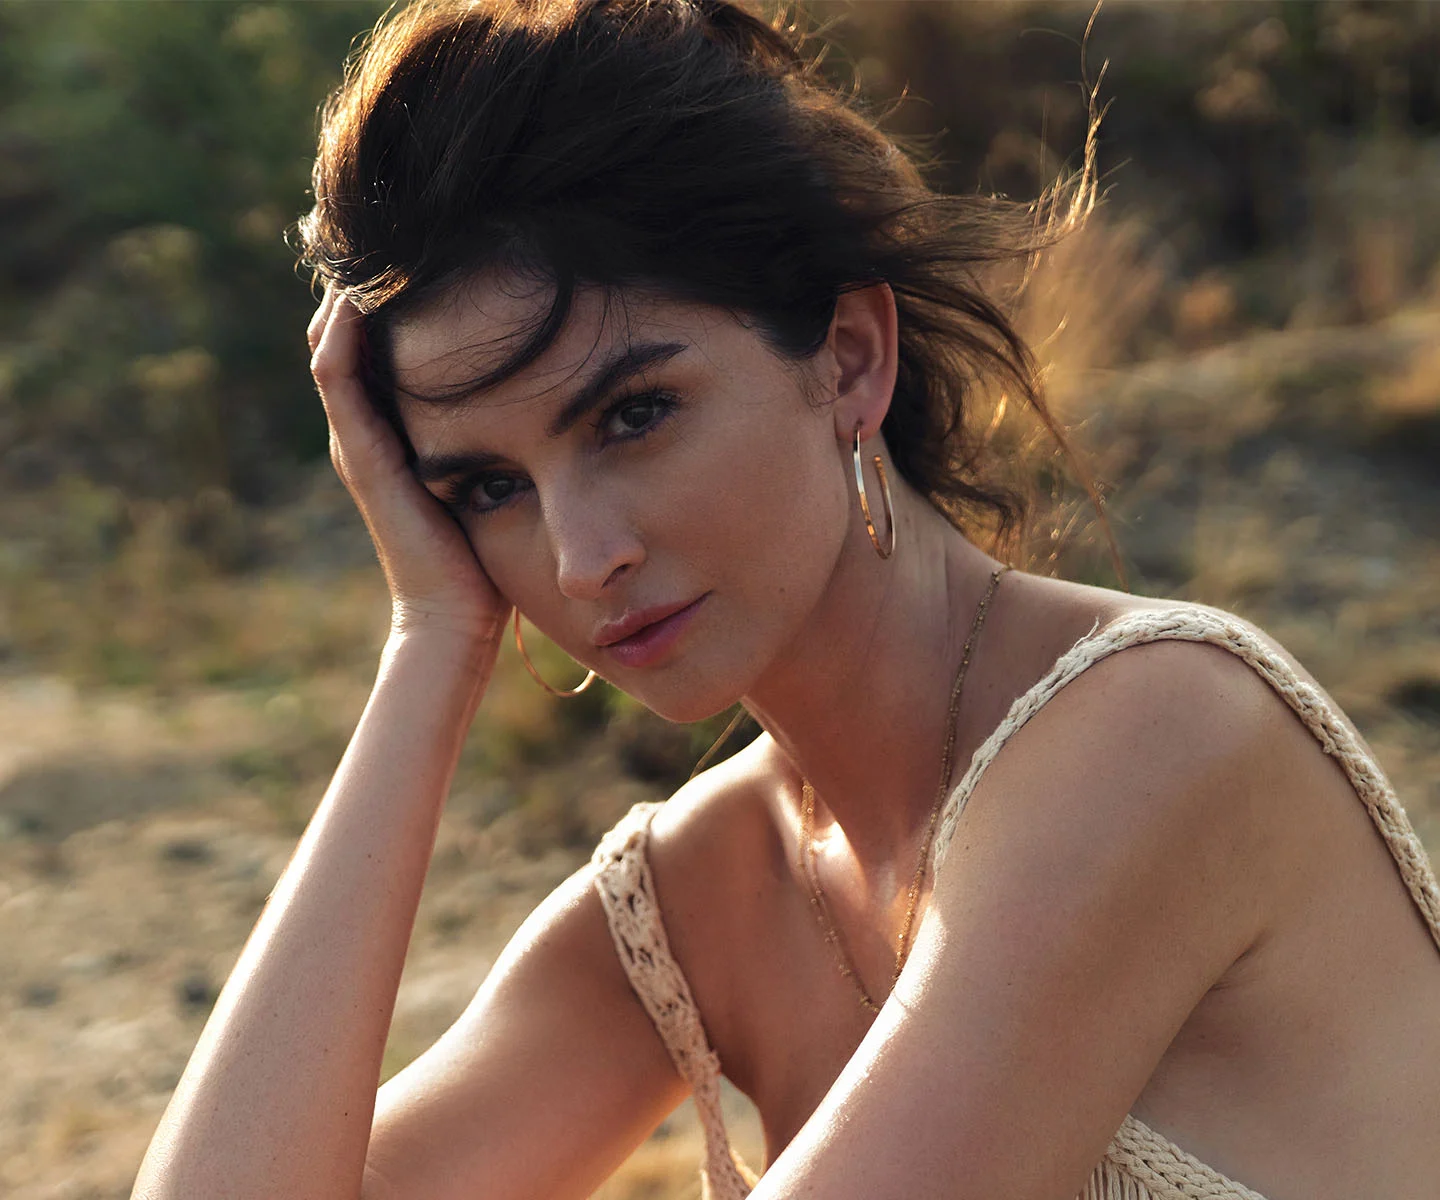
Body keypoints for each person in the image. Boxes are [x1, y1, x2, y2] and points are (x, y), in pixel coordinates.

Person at [131, 2, 1440, 1198]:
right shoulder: (699, 900)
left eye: (635, 415)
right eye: (485, 488)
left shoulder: (1155, 735)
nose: (581, 558)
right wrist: (432, 641)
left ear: (849, 359)